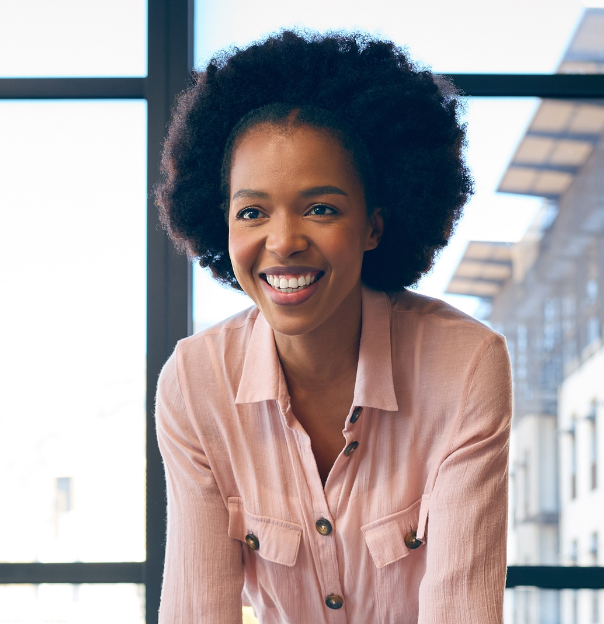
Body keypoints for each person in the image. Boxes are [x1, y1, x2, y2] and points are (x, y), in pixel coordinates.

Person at [153, 30, 510, 624]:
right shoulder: (195, 384)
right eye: (252, 212)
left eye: (321, 208)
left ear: (373, 226)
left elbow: (462, 611)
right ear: (222, 226)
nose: (284, 241)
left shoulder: (466, 367)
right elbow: (196, 612)